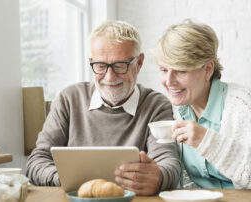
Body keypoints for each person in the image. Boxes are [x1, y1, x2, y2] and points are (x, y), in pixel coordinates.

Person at [26, 20, 181, 195]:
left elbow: (169, 164)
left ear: (138, 63)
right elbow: (36, 162)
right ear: (91, 62)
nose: (109, 76)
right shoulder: (69, 99)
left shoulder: (156, 105)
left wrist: (158, 178)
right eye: (100, 66)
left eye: (120, 65)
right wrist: (68, 179)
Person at [155, 19, 251, 189]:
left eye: (180, 70)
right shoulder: (176, 111)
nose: (169, 81)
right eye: (164, 70)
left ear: (207, 69)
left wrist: (207, 141)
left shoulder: (242, 106)